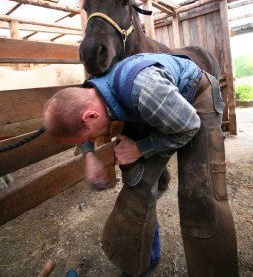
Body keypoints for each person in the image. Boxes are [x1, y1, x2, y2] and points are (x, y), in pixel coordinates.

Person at [43, 53, 238, 277]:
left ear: (90, 116)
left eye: (84, 138)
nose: (86, 142)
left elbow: (189, 126)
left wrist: (140, 148)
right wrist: (90, 156)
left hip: (196, 97)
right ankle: (142, 262)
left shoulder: (145, 91)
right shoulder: (89, 90)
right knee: (137, 181)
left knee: (202, 194)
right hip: (155, 104)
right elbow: (76, 117)